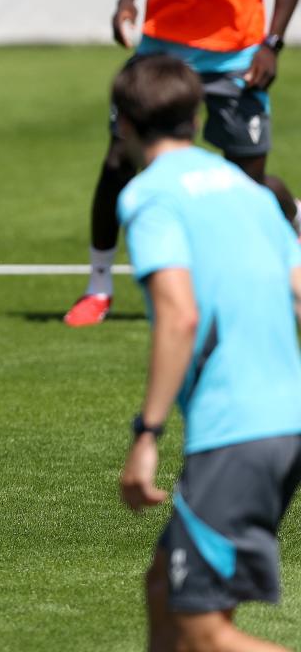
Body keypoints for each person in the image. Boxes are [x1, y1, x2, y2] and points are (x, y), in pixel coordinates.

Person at [65, 0, 301, 328]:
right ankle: (98, 287)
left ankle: (295, 223)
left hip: (235, 59)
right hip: (158, 58)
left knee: (250, 186)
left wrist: (272, 44)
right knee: (117, 164)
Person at [113, 55, 301, 652]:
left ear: (123, 124)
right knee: (163, 593)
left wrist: (147, 434)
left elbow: (179, 314)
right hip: (284, 421)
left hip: (236, 432)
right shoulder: (251, 191)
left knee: (204, 634)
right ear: (198, 118)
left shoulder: (150, 196)